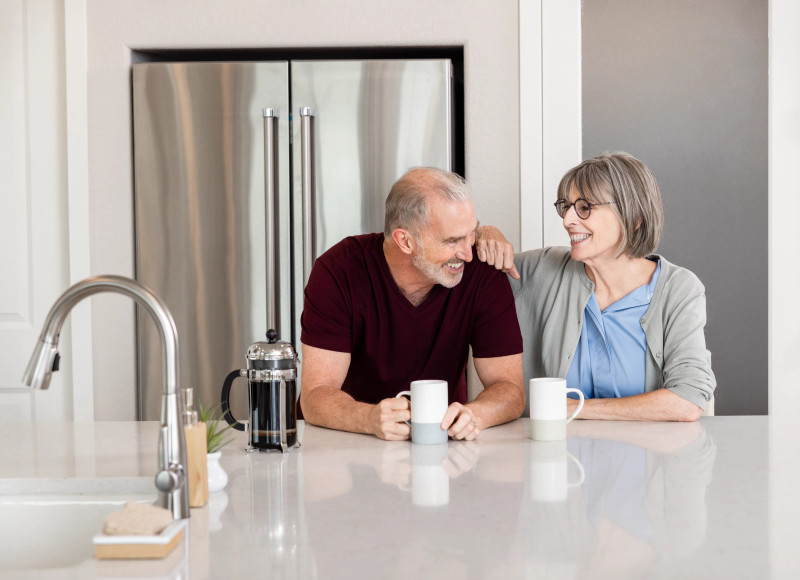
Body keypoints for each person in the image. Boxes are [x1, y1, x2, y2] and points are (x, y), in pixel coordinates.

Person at [477, 152, 716, 421]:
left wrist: (572, 409)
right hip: (553, 458)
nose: (567, 220)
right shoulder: (542, 269)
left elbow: (687, 399)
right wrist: (482, 233)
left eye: (584, 207)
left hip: (647, 459)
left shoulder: (678, 289)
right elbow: (468, 271)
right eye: (566, 206)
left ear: (634, 216)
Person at [299, 167, 525, 441]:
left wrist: (476, 414)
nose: (467, 254)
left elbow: (510, 389)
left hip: (440, 444)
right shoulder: (338, 272)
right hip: (346, 443)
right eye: (452, 240)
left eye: (472, 233)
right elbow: (314, 397)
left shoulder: (482, 273)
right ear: (405, 241)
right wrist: (369, 418)